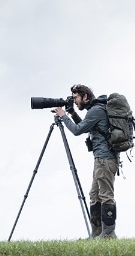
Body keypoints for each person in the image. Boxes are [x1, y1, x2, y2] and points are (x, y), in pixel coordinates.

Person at [51, 84, 118, 239]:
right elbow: (85, 126)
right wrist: (72, 113)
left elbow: (77, 130)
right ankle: (96, 234)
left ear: (85, 96)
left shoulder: (96, 110)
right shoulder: (95, 110)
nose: (74, 101)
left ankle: (108, 233)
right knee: (94, 195)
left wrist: (63, 116)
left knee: (106, 195)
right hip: (101, 159)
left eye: (76, 98)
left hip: (105, 159)